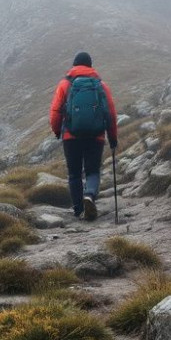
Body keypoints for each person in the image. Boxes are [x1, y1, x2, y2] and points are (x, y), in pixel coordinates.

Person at [49, 52, 118, 220]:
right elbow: (110, 113)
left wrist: (58, 130)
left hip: (71, 137)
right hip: (96, 137)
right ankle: (89, 195)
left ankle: (79, 209)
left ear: (74, 65)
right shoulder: (100, 85)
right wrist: (113, 137)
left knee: (74, 173)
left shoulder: (65, 84)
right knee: (93, 171)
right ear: (90, 66)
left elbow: (56, 111)